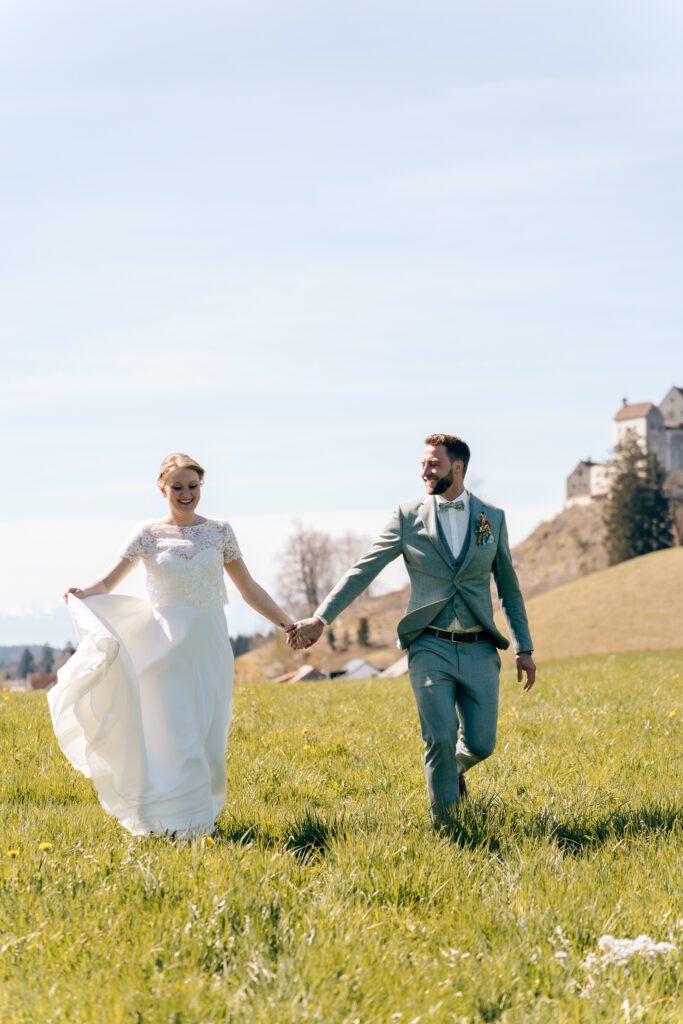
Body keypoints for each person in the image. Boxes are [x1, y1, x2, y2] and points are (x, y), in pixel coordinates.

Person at [287, 433, 536, 826]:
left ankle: (451, 771)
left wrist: (524, 646)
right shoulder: (407, 516)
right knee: (438, 737)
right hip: (429, 645)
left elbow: (508, 586)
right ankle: (449, 831)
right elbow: (364, 569)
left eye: (433, 464)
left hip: (479, 647)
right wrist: (321, 618)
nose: (424, 470)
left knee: (482, 744)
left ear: (457, 468)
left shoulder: (493, 517)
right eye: (422, 463)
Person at [49, 453, 296, 838]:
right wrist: (82, 593)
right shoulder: (147, 533)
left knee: (209, 735)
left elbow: (248, 589)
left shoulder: (220, 532)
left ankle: (202, 817)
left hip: (209, 643)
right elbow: (107, 583)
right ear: (162, 488)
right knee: (175, 732)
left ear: (202, 487)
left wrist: (286, 622)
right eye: (177, 487)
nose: (186, 494)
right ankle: (180, 826)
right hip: (165, 645)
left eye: (193, 486)